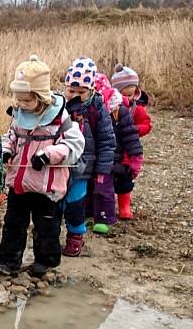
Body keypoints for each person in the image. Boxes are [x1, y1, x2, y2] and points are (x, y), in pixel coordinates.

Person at [0, 55, 84, 277]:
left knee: (47, 225)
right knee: (13, 223)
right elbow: (11, 136)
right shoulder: (19, 114)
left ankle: (46, 261)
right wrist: (6, 150)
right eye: (20, 100)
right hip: (20, 182)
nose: (23, 105)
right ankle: (8, 260)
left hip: (47, 186)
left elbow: (74, 144)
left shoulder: (61, 119)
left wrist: (48, 155)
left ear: (41, 97)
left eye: (28, 101)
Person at [62, 57, 116, 253]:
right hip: (59, 164)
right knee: (57, 202)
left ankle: (75, 236)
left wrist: (103, 170)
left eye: (81, 92)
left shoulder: (97, 110)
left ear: (91, 90)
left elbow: (107, 141)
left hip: (84, 166)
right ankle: (50, 236)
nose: (75, 94)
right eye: (71, 90)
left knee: (76, 202)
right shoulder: (59, 107)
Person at [93, 74, 143, 221]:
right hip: (100, 156)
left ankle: (122, 208)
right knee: (101, 187)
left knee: (124, 183)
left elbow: (130, 135)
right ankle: (100, 213)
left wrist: (135, 157)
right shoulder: (90, 112)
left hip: (120, 156)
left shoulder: (120, 111)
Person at [111, 64, 152, 219]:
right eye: (124, 94)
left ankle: (124, 207)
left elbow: (147, 125)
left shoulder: (137, 109)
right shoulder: (110, 107)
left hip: (129, 149)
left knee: (125, 179)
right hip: (113, 148)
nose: (127, 98)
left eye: (131, 94)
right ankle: (105, 204)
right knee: (107, 177)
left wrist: (133, 129)